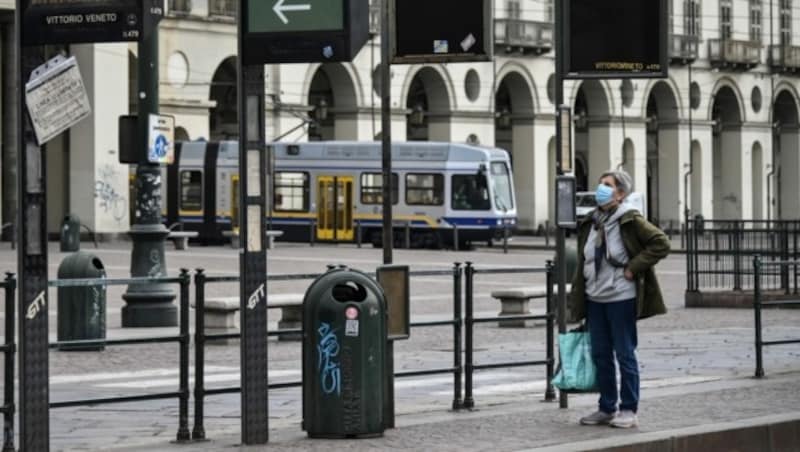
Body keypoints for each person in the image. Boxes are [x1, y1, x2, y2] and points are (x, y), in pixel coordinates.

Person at [569, 169, 670, 429]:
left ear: (621, 193)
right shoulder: (592, 220)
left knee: (624, 353)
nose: (600, 188)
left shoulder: (629, 218)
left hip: (620, 297)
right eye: (600, 183)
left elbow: (660, 242)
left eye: (607, 185)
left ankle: (628, 409)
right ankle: (606, 407)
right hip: (595, 296)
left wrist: (632, 267)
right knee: (600, 354)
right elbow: (585, 256)